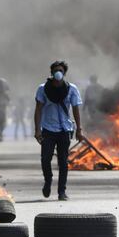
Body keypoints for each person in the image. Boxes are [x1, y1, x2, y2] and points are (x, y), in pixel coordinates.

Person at [34, 61, 83, 201]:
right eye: (56, 70)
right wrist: (37, 130)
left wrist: (79, 129)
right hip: (48, 130)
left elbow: (75, 109)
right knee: (45, 159)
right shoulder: (43, 89)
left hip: (64, 130)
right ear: (51, 73)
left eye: (60, 70)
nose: (58, 72)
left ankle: (62, 191)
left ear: (64, 73)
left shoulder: (71, 89)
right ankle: (48, 181)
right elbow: (38, 110)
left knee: (63, 162)